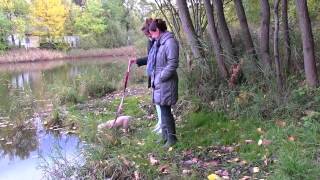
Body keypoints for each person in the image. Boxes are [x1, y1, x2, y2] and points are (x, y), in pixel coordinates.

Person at [147, 19, 179, 147]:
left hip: (166, 82)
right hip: (160, 82)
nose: (151, 36)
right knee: (162, 109)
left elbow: (173, 64)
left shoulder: (170, 42)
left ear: (158, 31)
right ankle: (165, 137)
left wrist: (159, 77)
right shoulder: (159, 43)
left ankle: (172, 140)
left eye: (152, 33)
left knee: (166, 111)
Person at [130, 18, 162, 134]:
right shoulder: (150, 40)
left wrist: (137, 60)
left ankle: (162, 125)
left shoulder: (157, 40)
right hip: (153, 74)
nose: (147, 36)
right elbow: (150, 58)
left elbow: (152, 58)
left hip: (159, 74)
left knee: (160, 100)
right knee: (156, 100)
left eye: (147, 33)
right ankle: (160, 123)